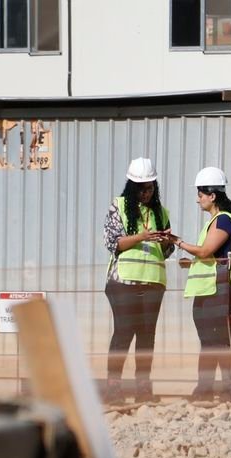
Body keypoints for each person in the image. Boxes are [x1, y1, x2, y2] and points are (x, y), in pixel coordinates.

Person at [103, 157, 176, 403]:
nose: (146, 192)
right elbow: (113, 243)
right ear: (132, 186)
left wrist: (167, 241)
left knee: (147, 336)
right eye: (142, 188)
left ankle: (143, 388)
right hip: (124, 282)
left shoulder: (161, 212)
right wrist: (142, 236)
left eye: (150, 187)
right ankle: (114, 388)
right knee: (123, 333)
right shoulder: (119, 206)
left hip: (153, 282)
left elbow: (166, 252)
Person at [177, 166, 231, 402]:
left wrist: (180, 242)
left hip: (221, 290)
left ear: (212, 196)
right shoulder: (218, 221)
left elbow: (206, 250)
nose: (198, 200)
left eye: (200, 195)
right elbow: (210, 256)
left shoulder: (224, 220)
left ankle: (226, 390)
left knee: (220, 342)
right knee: (211, 342)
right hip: (212, 289)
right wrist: (191, 262)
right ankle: (208, 389)